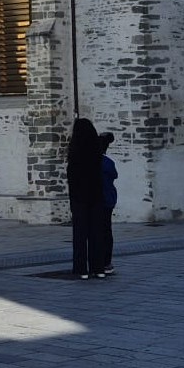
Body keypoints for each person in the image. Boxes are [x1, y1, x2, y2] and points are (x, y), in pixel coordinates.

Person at [67, 118, 110, 279]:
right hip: (96, 196)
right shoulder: (96, 151)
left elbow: (71, 178)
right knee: (96, 233)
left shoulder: (75, 152)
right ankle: (98, 267)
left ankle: (81, 269)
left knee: (80, 234)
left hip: (79, 197)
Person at [100, 132, 118, 275]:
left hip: (96, 201)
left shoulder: (90, 161)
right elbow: (114, 175)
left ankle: (97, 261)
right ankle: (106, 262)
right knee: (106, 231)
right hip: (106, 201)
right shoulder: (108, 162)